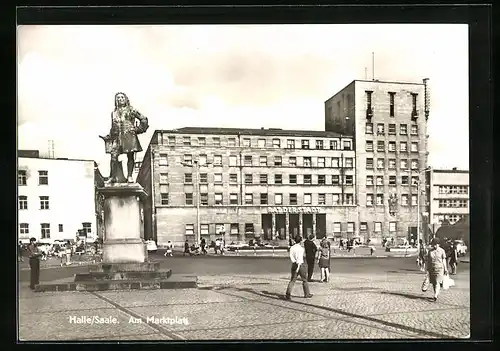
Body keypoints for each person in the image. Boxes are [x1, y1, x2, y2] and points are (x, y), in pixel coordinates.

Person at [100, 92, 149, 184]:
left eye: (122, 97)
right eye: (118, 98)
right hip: (117, 137)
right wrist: (109, 136)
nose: (120, 99)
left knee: (130, 156)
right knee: (113, 156)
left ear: (126, 99)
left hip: (128, 135)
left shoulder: (131, 110)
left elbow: (143, 119)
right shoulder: (113, 113)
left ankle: (129, 176)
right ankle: (113, 177)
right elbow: (113, 126)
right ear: (116, 100)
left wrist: (138, 129)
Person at [285, 236, 313, 300]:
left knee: (292, 280)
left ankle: (288, 294)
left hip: (294, 264)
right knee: (304, 280)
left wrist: (294, 263)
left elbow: (291, 257)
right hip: (300, 265)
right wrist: (298, 267)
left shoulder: (292, 248)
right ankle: (307, 294)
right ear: (300, 241)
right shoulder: (301, 249)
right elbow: (299, 259)